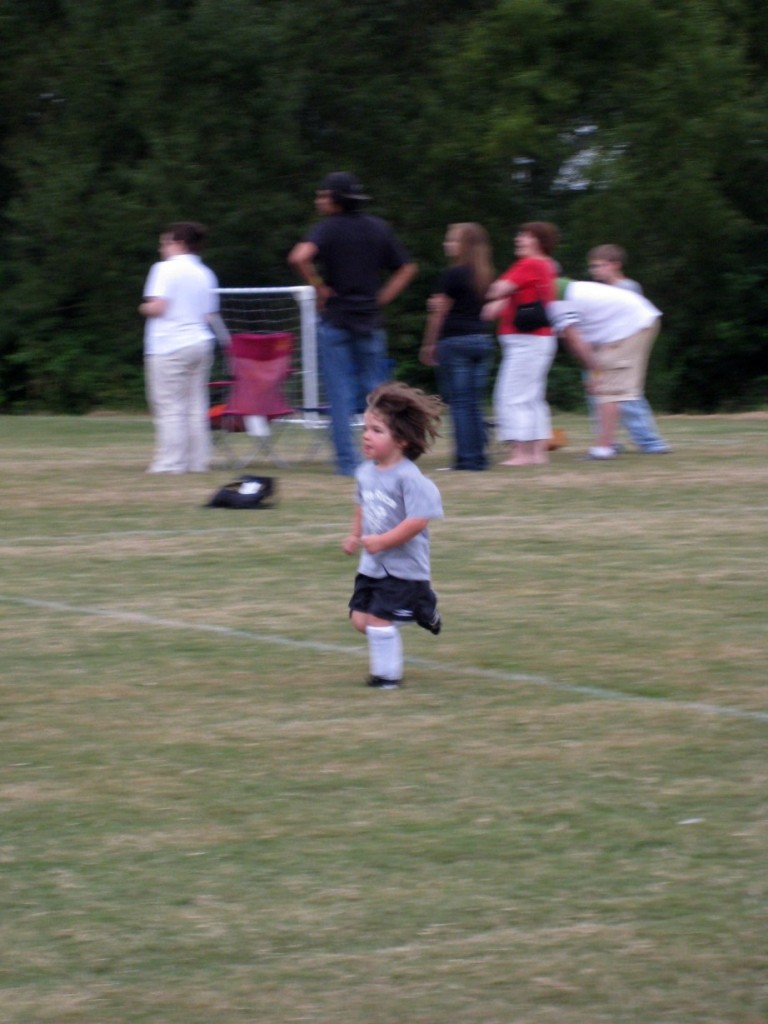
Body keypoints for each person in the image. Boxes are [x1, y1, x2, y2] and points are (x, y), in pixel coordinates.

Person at [288, 172, 418, 476]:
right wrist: (384, 295)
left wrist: (319, 286)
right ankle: (390, 456)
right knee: (379, 394)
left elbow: (299, 257)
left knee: (339, 393)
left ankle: (347, 464)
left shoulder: (328, 228)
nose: (318, 200)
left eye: (322, 195)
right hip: (369, 319)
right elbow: (408, 267)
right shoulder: (377, 228)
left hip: (335, 319)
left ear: (335, 199)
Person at [342, 382, 444, 689]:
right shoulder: (364, 473)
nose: (366, 435)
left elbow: (417, 521)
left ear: (400, 440)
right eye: (365, 428)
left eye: (376, 430)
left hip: (403, 568)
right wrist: (354, 535)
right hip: (371, 565)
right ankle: (422, 608)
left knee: (379, 623)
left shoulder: (410, 479)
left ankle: (386, 678)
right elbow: (362, 505)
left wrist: (384, 541)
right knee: (360, 621)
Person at [547, 278, 664, 459]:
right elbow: (578, 340)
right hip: (629, 322)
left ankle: (605, 449)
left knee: (610, 389)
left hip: (633, 324)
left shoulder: (556, 298)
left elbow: (575, 340)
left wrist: (594, 372)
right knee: (609, 388)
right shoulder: (560, 289)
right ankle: (611, 444)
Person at [139, 222, 220, 474]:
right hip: (200, 343)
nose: (161, 248)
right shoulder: (205, 273)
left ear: (179, 244)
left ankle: (171, 463)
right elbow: (209, 316)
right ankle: (197, 462)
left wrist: (143, 308)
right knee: (196, 406)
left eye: (165, 242)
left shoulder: (163, 269)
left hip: (169, 345)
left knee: (169, 406)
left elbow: (158, 307)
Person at [419, 223, 495, 471]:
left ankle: (466, 460)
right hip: (481, 341)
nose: (446, 244)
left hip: (455, 341)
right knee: (474, 402)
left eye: (451, 240)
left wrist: (429, 344)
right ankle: (480, 457)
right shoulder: (485, 275)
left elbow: (439, 313)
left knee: (460, 404)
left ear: (464, 246)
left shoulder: (452, 275)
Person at [482, 222, 558, 466]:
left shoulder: (529, 263)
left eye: (524, 235)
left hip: (526, 341)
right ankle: (537, 453)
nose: (519, 239)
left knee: (510, 396)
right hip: (538, 340)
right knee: (532, 398)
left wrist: (497, 293)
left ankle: (520, 454)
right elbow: (512, 296)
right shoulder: (545, 265)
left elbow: (496, 289)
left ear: (537, 240)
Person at [586, 245, 670, 454]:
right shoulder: (603, 289)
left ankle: (649, 441)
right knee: (597, 396)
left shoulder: (627, 287)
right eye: (592, 267)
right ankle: (607, 441)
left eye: (599, 266)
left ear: (615, 265)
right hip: (603, 348)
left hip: (621, 348)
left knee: (627, 395)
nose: (594, 271)